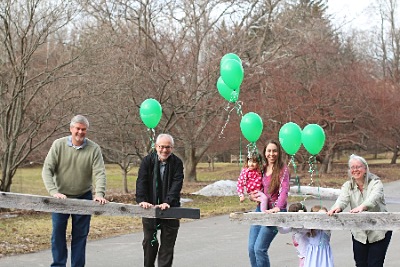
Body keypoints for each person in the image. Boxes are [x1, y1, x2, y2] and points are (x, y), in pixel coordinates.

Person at [42, 115, 108, 267]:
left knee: (80, 236)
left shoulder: (94, 148)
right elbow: (47, 170)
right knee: (58, 234)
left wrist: (99, 194)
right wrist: (53, 192)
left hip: (83, 195)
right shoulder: (58, 145)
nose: (80, 132)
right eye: (77, 129)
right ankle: (58, 265)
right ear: (71, 129)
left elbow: (99, 173)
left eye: (83, 129)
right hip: (60, 197)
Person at [327, 154, 392, 267]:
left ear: (365, 168)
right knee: (361, 264)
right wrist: (337, 207)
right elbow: (342, 199)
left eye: (358, 167)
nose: (355, 170)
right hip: (359, 233)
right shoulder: (348, 186)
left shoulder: (376, 183)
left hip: (379, 232)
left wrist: (362, 207)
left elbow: (374, 198)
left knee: (375, 264)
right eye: (352, 167)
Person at [136, 133, 184, 267]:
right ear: (156, 146)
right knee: (149, 242)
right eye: (161, 147)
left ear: (172, 148)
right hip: (149, 208)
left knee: (167, 245)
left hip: (171, 208)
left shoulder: (177, 163)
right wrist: (141, 200)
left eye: (167, 147)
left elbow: (176, 184)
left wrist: (168, 201)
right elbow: (141, 181)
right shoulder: (147, 161)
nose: (164, 150)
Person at [248, 140, 290, 267]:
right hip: (260, 209)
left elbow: (284, 190)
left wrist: (278, 207)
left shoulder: (283, 170)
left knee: (259, 249)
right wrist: (252, 196)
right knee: (251, 249)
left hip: (275, 212)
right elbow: (255, 185)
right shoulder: (262, 168)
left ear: (279, 152)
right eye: (269, 151)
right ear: (265, 152)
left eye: (274, 151)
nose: (272, 154)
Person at [278, 203, 309, 267]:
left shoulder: (306, 226)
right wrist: (278, 224)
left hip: (308, 255)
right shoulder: (292, 226)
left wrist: (300, 220)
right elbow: (282, 231)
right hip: (301, 255)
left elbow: (303, 229)